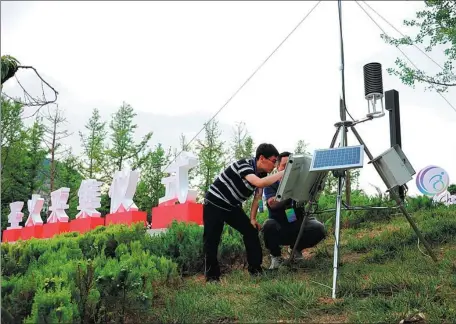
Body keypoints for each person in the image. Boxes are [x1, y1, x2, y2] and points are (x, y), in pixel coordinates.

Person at [203, 143, 285, 282]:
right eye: (273, 161)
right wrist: (283, 173)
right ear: (261, 158)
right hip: (214, 203)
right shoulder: (245, 165)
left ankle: (255, 269)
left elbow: (257, 196)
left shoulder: (262, 173)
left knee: (250, 231)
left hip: (231, 206)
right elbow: (259, 183)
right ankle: (212, 277)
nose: (274, 165)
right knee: (212, 239)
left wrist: (252, 219)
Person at [263, 151, 326, 269]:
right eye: (284, 166)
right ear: (277, 166)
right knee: (268, 225)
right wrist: (289, 192)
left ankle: (295, 249)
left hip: (296, 223)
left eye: (290, 166)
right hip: (279, 225)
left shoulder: (301, 183)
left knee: (318, 228)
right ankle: (276, 257)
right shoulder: (270, 183)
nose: (287, 169)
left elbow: (309, 198)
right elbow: (272, 204)